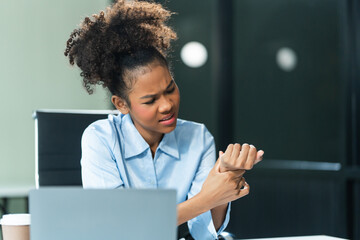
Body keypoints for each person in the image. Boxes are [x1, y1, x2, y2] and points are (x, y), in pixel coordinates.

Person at [64, 1, 264, 239]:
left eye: (170, 88)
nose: (167, 105)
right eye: (150, 101)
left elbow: (203, 234)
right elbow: (116, 228)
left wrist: (224, 181)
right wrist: (207, 198)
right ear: (122, 104)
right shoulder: (100, 139)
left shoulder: (198, 138)